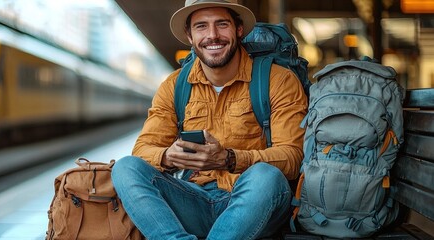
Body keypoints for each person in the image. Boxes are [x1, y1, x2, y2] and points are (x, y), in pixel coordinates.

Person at [111, 0, 308, 239]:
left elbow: (292, 157)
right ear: (190, 36)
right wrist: (168, 156)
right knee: (126, 167)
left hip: (254, 204)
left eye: (222, 24)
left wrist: (228, 159)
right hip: (194, 199)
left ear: (239, 29)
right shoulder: (174, 86)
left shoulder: (278, 80)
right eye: (201, 26)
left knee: (266, 176)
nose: (212, 36)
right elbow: (142, 149)